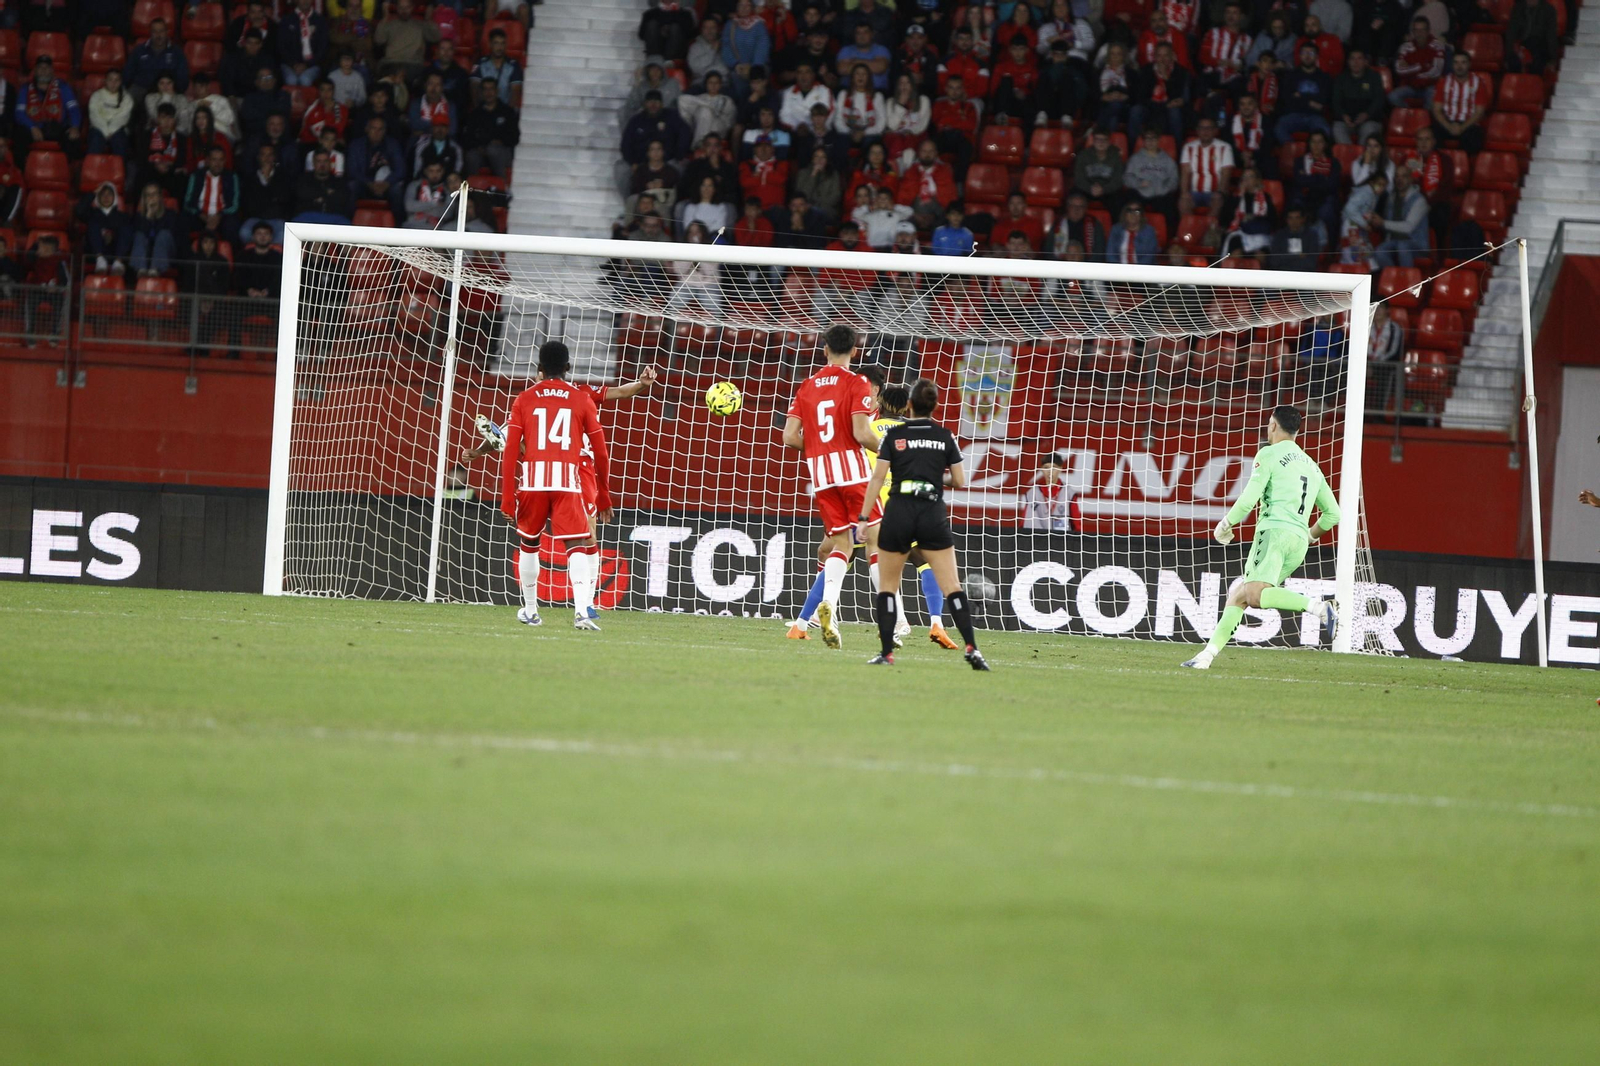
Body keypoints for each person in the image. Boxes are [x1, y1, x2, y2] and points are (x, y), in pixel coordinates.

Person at [1182, 406, 1340, 670]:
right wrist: (1309, 537)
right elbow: (1333, 514)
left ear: (1273, 426)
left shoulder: (1268, 454)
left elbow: (1248, 499)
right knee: (1240, 595)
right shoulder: (1312, 466)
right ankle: (1206, 657)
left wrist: (1226, 523)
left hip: (1274, 533)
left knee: (1254, 594)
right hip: (1298, 542)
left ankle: (1320, 609)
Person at [856, 378, 990, 670]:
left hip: (899, 511)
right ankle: (972, 649)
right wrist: (929, 480)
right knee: (952, 586)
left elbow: (877, 478)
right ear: (935, 406)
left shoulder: (894, 436)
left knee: (888, 587)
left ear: (910, 406)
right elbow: (958, 480)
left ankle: (886, 652)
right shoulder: (945, 436)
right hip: (931, 511)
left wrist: (865, 518)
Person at [781, 324, 885, 651]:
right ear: (855, 351)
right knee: (875, 541)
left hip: (821, 475)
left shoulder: (807, 386)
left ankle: (828, 607)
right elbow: (862, 433)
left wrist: (816, 450)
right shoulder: (858, 382)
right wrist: (889, 449)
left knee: (841, 543)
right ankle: (891, 620)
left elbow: (788, 437)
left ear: (824, 349)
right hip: (851, 471)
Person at [500, 341, 613, 631]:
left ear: (539, 368)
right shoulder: (581, 398)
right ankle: (581, 613)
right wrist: (604, 495)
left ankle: (530, 610)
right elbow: (600, 453)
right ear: (567, 368)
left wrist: (506, 498)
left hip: (533, 481)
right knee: (576, 545)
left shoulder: (524, 398)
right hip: (567, 481)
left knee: (530, 544)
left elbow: (511, 449)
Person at [15, 57, 81, 157]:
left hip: (57, 127)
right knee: (19, 134)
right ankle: (21, 170)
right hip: (34, 127)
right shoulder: (26, 88)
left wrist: (75, 126)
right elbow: (19, 113)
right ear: (35, 70)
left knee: (73, 139)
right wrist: (32, 127)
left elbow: (74, 109)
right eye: (40, 68)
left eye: (47, 68)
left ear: (52, 71)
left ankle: (66, 169)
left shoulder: (62, 86)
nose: (43, 71)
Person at [1129, 43, 1190, 145]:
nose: (1162, 59)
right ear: (1155, 57)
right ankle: (1133, 148)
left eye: (1166, 55)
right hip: (1150, 106)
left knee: (1174, 112)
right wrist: (1155, 104)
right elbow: (1140, 96)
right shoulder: (1146, 70)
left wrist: (1166, 78)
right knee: (1136, 111)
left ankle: (1177, 150)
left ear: (1172, 56)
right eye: (1159, 55)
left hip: (1170, 107)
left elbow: (1178, 98)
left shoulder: (1181, 72)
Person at [1430, 52, 1490, 155]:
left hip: (1469, 123)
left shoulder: (1478, 83)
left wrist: (1462, 127)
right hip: (1447, 122)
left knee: (1475, 137)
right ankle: (1437, 165)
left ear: (1469, 64)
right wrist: (1448, 126)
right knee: (1429, 136)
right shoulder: (1443, 82)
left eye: (1463, 63)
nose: (1459, 66)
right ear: (1452, 65)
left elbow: (1479, 112)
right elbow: (1436, 109)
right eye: (1456, 63)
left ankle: (1466, 167)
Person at [461, 80, 520, 178]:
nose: (488, 93)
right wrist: (479, 146)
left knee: (493, 150)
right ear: (481, 92)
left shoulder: (507, 112)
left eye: (491, 89)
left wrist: (500, 142)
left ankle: (503, 187)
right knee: (471, 156)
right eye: (485, 89)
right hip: (480, 151)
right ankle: (473, 190)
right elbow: (467, 138)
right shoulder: (475, 114)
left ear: (497, 91)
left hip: (502, 151)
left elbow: (515, 137)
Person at [1275, 43, 1332, 144]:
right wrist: (1311, 102)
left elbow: (1323, 102)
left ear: (1317, 56)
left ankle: (1314, 155)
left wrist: (1300, 97)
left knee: (1325, 130)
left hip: (1315, 117)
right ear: (1300, 56)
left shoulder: (1324, 77)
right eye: (1304, 53)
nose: (1307, 56)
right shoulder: (1291, 76)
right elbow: (1288, 100)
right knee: (1279, 127)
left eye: (1311, 53)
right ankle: (1295, 153)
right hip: (1294, 115)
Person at [1373, 165, 1429, 268]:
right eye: (1397, 176)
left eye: (1404, 176)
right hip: (1393, 242)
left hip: (1415, 244)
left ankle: (1408, 281)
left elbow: (1408, 227)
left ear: (1411, 179)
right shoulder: (1391, 198)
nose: (1400, 179)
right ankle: (1395, 278)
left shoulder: (1419, 200)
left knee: (1403, 246)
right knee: (1380, 251)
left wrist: (1383, 223)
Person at [1179, 116, 1235, 217]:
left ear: (1215, 131)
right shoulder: (1188, 147)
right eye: (1202, 128)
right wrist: (1184, 193)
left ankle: (1209, 230)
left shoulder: (1225, 148)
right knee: (1183, 202)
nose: (1205, 131)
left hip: (1214, 193)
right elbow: (1185, 173)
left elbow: (1226, 174)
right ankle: (1190, 230)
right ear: (1197, 131)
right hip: (1194, 192)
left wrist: (1220, 192)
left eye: (1209, 128)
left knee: (1217, 200)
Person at [898, 138, 957, 231]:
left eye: (931, 151)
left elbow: (950, 199)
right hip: (914, 213)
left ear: (936, 153)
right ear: (919, 153)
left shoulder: (945, 171)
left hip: (938, 215)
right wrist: (915, 215)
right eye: (924, 151)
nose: (927, 154)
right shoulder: (911, 172)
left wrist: (934, 215)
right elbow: (903, 198)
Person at [374, 0, 440, 82]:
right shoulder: (390, 25)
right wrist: (385, 17)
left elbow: (436, 37)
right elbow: (379, 40)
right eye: (401, 8)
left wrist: (428, 19)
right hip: (392, 63)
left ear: (412, 8)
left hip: (413, 64)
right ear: (397, 8)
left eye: (407, 7)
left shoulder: (420, 25)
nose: (404, 11)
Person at [1332, 49, 1386, 145]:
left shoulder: (1374, 77)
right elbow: (1335, 101)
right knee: (1337, 128)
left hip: (1369, 120)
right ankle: (1350, 157)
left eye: (1359, 59)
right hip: (1346, 121)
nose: (1355, 62)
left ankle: (1362, 158)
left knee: (1369, 130)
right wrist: (1343, 115)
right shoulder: (1341, 78)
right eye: (1352, 59)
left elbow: (1379, 100)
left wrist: (1367, 114)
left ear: (1365, 61)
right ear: (1348, 62)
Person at [1389, 18, 1446, 109]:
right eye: (1416, 30)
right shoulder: (1406, 46)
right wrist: (1422, 66)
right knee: (1393, 96)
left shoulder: (1437, 45)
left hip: (1430, 86)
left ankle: (1424, 120)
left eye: (1422, 30)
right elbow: (1399, 70)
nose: (1419, 33)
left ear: (1428, 31)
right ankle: (1411, 116)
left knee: (1432, 98)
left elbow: (1436, 71)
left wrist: (1410, 69)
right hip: (1410, 86)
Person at [184, 146, 241, 236]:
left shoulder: (231, 177)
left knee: (232, 224)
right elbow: (187, 202)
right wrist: (202, 215)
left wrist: (218, 216)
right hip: (200, 215)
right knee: (184, 221)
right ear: (207, 161)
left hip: (223, 216)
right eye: (214, 160)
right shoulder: (196, 176)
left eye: (221, 160)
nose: (217, 164)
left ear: (225, 161)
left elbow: (235, 205)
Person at [22, 233, 69, 343]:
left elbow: (66, 281)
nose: (38, 249)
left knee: (60, 302)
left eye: (41, 247)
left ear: (49, 249)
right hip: (38, 291)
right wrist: (35, 244)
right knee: (31, 300)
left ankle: (55, 335)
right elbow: (27, 258)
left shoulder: (60, 261)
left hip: (54, 292)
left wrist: (57, 288)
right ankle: (30, 333)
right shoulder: (36, 259)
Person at [79, 181, 131, 273]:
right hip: (94, 255)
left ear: (115, 197)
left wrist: (111, 234)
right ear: (98, 197)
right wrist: (93, 193)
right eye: (103, 194)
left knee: (126, 229)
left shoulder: (123, 216)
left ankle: (118, 262)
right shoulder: (92, 213)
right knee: (93, 224)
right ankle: (100, 260)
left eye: (109, 194)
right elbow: (79, 211)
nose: (106, 197)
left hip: (114, 252)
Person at [130, 184, 179, 276]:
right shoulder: (138, 217)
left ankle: (155, 269)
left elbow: (170, 236)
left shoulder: (170, 214)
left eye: (154, 194)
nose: (151, 197)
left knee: (163, 234)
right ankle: (141, 270)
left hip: (166, 253)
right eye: (148, 195)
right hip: (146, 253)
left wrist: (157, 215)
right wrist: (148, 217)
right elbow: (138, 238)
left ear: (160, 197)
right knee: (139, 235)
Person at [279, 0, 330, 87]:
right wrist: (294, 64)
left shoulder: (320, 20)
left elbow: (323, 48)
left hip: (312, 65)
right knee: (291, 80)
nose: (305, 1)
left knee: (305, 80)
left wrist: (307, 65)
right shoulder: (286, 20)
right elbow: (281, 47)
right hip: (290, 64)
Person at [680, 71, 737, 147]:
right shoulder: (700, 98)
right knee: (684, 100)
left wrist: (712, 116)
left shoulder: (727, 100)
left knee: (705, 111)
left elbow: (729, 123)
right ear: (706, 84)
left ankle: (699, 144)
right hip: (698, 126)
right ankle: (701, 142)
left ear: (720, 85)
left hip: (718, 129)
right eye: (710, 83)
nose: (713, 85)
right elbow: (682, 100)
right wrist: (709, 106)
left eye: (716, 83)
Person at [1022, 456, 1080, 532]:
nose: (1050, 471)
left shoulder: (1068, 493)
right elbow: (1023, 522)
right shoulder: (1032, 493)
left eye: (1054, 467)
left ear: (1060, 468)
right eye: (1046, 467)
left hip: (1060, 540)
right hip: (1037, 540)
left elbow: (1077, 524)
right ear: (1042, 469)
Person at [87, 69, 135, 157]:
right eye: (110, 79)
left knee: (120, 142)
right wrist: (105, 131)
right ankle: (92, 168)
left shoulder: (127, 98)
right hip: (98, 127)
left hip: (117, 128)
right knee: (95, 140)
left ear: (121, 82)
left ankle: (119, 169)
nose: (113, 83)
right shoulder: (96, 95)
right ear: (105, 81)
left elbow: (122, 118)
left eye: (117, 80)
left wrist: (111, 130)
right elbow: (94, 116)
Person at [1507, 0, 1561, 75]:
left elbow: (1551, 36)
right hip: (1521, 45)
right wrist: (1509, 53)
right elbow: (1511, 32)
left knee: (1537, 59)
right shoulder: (1518, 8)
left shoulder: (1548, 10)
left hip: (1540, 47)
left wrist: (1553, 58)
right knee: (1514, 61)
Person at [1269, 206, 1323, 271]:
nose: (1294, 222)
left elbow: (1311, 263)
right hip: (1283, 274)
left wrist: (1285, 257)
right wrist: (1297, 256)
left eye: (1297, 218)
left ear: (1303, 219)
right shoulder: (1279, 235)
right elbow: (1274, 261)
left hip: (1305, 275)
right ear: (1286, 220)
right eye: (1290, 218)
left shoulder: (1312, 236)